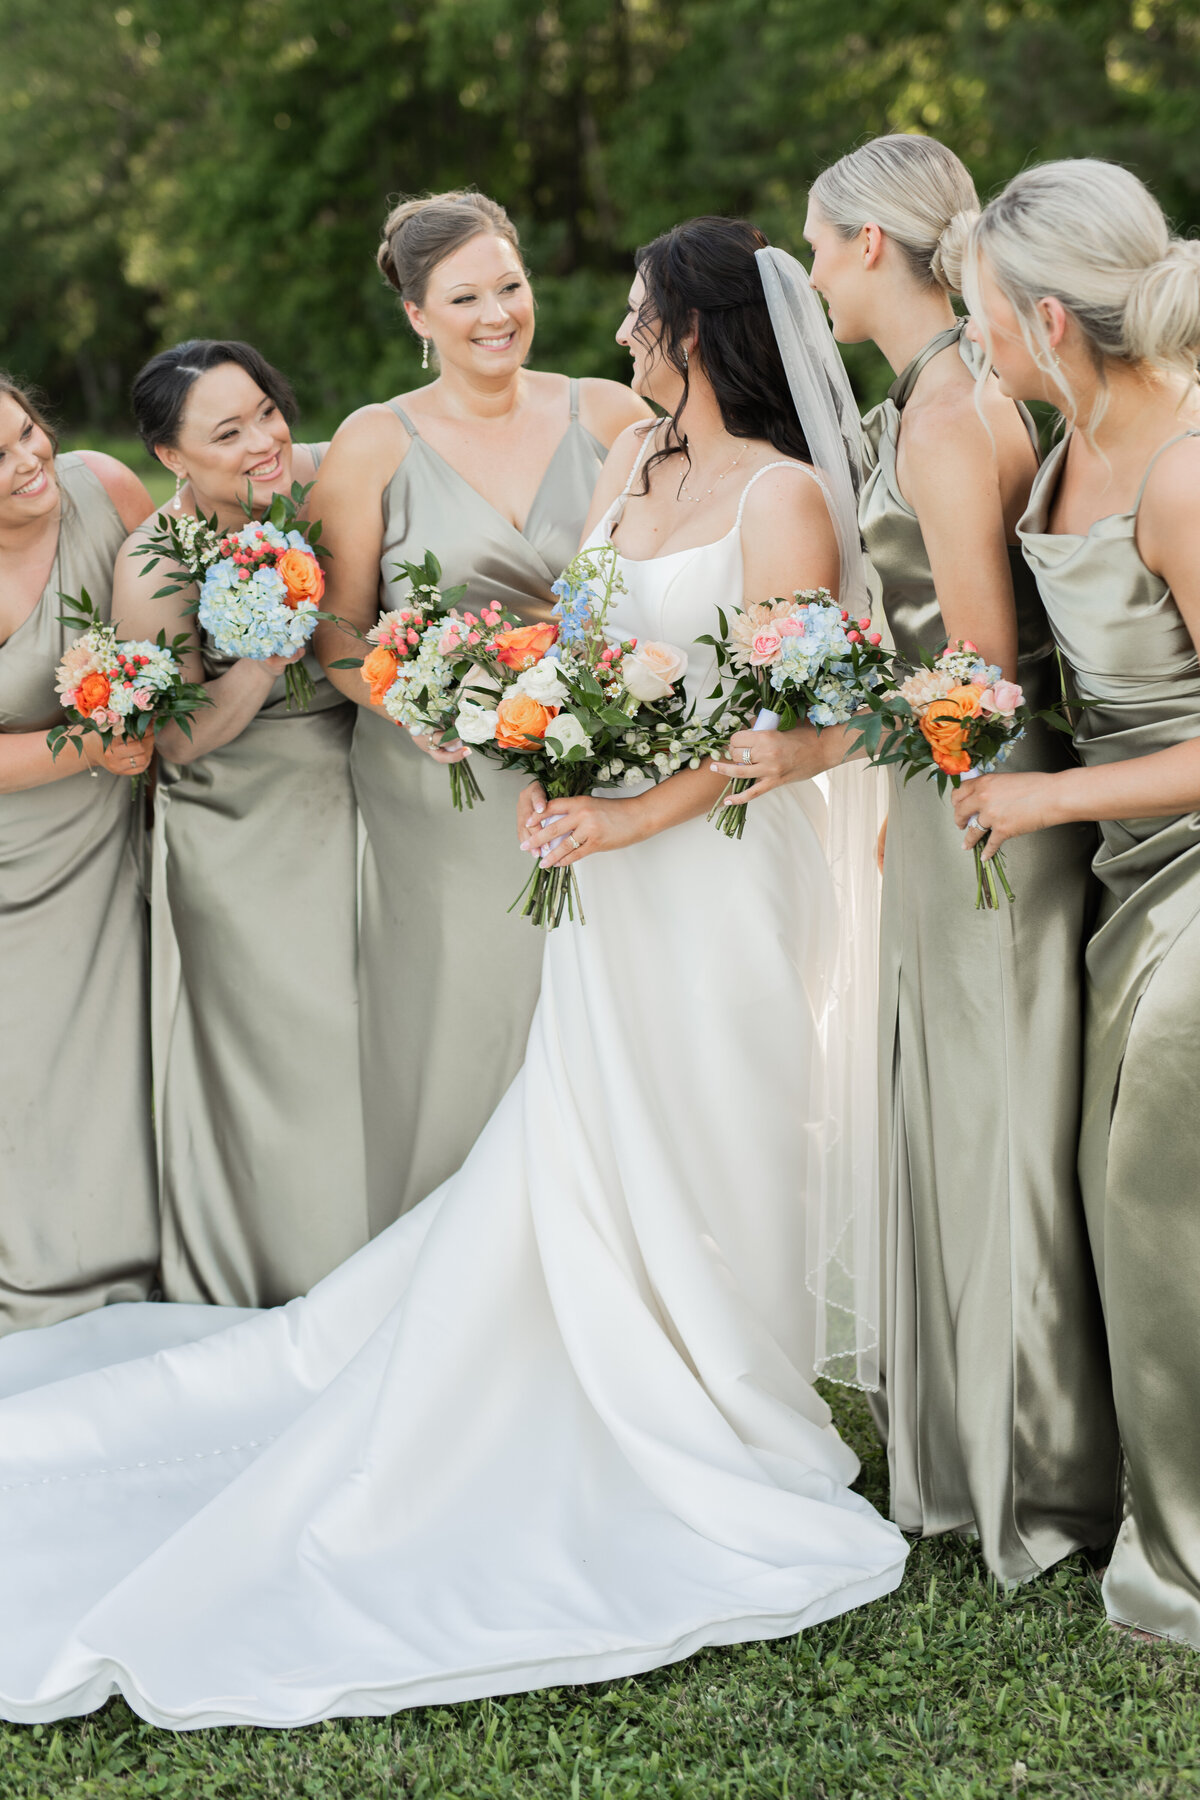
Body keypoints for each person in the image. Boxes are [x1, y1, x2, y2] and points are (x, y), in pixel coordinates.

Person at [0, 217, 904, 1729]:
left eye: (631, 315)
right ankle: (643, 1371)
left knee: (728, 1103)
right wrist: (489, 691)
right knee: (606, 1114)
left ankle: (728, 1389)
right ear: (418, 311)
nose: (604, 334)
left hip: (707, 866)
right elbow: (567, 633)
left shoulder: (788, 496)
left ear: (692, 333)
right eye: (481, 292)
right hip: (591, 858)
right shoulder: (631, 473)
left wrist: (619, 804)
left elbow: (784, 716)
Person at [714, 135, 1119, 1583]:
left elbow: (986, 670)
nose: (811, 278)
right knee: (960, 1111)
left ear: (866, 247)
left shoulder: (952, 411)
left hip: (989, 808)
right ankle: (977, 1448)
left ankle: (1031, 1474)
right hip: (950, 798)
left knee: (994, 1122)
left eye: (820, 249)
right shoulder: (937, 393)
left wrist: (835, 738)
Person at [951, 158, 1200, 1642]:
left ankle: (1182, 1564)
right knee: (1125, 1209)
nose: (968, 331)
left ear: (1047, 316)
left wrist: (1041, 796)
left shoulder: (1184, 470)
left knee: (1158, 1205)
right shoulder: (1059, 444)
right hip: (1126, 878)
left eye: (980, 306)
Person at [313, 190, 650, 1227]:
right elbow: (336, 631)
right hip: (442, 792)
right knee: (461, 1022)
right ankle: (447, 1248)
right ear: (418, 316)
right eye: (466, 297)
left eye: (511, 286)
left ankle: (601, 1253)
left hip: (596, 765)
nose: (498, 313)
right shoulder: (375, 441)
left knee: (605, 1018)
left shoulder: (609, 413)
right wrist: (402, 699)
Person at [114, 340, 366, 1307]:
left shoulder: (324, 478)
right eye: (228, 431)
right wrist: (263, 659)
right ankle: (290, 1274)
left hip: (357, 790)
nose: (266, 439)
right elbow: (176, 743)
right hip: (238, 826)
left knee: (366, 1035)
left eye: (267, 409)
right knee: (285, 1055)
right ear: (172, 459)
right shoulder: (155, 564)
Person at [0, 373, 158, 1333]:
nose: (28, 463)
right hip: (18, 861)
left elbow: (175, 623)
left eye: (27, 434)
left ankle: (139, 1262)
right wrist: (86, 747)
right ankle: (42, 1280)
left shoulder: (107, 489)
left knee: (132, 1051)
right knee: (35, 1066)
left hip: (127, 829)